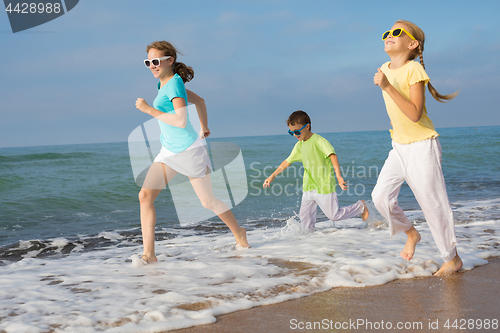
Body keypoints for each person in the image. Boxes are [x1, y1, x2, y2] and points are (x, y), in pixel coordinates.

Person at [135, 41, 249, 264]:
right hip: (169, 150)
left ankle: (239, 233)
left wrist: (149, 110)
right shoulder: (165, 83)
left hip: (188, 150)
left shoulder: (174, 84)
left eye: (156, 61)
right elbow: (199, 101)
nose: (152, 66)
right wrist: (204, 126)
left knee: (207, 201)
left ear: (170, 61)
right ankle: (149, 255)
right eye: (148, 62)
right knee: (145, 196)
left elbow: (180, 120)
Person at [372, 20, 462, 276]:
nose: (389, 35)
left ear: (412, 44)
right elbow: (398, 111)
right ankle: (411, 234)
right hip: (399, 146)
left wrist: (387, 86)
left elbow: (414, 114)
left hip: (423, 147)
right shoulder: (385, 68)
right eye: (387, 32)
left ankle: (451, 258)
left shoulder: (413, 70)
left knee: (433, 204)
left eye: (397, 32)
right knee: (380, 198)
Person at [263, 110, 369, 230]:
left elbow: (332, 155)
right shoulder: (299, 145)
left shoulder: (319, 141)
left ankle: (360, 207)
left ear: (307, 127)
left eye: (297, 131)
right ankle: (309, 240)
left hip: (324, 185)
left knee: (334, 216)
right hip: (309, 186)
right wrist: (272, 176)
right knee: (305, 217)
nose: (295, 135)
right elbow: (288, 161)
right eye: (291, 132)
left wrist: (339, 177)